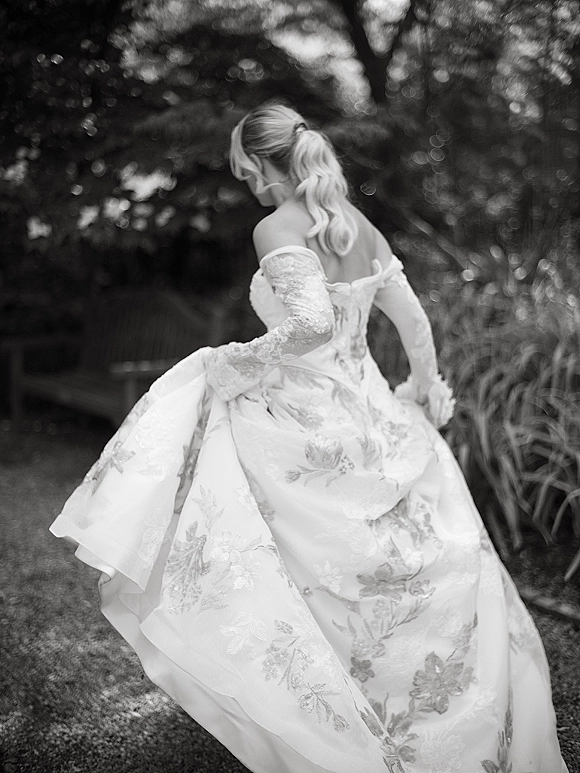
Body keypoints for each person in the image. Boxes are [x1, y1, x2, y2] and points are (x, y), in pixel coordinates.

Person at [49, 101, 569, 773]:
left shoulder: (276, 228)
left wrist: (237, 361)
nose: (247, 184)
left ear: (262, 163)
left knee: (291, 557)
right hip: (374, 413)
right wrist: (423, 389)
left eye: (245, 169)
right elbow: (414, 322)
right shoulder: (358, 226)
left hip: (304, 420)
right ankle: (410, 709)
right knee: (389, 568)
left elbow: (311, 325)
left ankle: (336, 716)